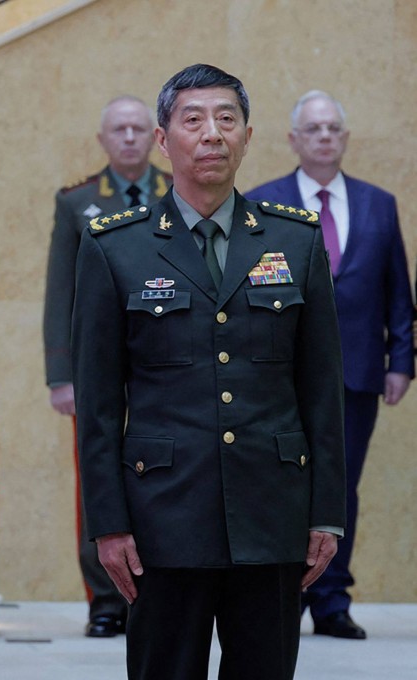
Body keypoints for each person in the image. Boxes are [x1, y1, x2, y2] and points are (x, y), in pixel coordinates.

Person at [71, 64, 347, 680]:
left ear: (249, 137)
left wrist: (326, 511)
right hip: (162, 521)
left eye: (227, 119)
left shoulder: (295, 241)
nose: (212, 134)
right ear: (164, 142)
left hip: (271, 516)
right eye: (192, 120)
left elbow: (322, 390)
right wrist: (108, 525)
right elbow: (96, 405)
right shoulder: (116, 247)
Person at [245, 90, 413, 640]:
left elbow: (397, 289)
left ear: (344, 138)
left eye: (333, 128)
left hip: (359, 368)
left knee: (342, 486)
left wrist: (401, 361)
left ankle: (332, 600)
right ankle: (282, 592)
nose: (323, 136)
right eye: (312, 128)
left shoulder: (377, 203)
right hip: (280, 371)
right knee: (283, 481)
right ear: (293, 139)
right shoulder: (263, 203)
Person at [42, 95, 171, 638]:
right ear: (102, 140)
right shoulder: (77, 202)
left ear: (156, 137)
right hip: (95, 364)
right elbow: (60, 292)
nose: (129, 138)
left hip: (160, 361)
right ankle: (103, 596)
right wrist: (61, 374)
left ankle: (160, 583)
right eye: (118, 129)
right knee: (96, 474)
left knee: (163, 473)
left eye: (139, 129)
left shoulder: (179, 191)